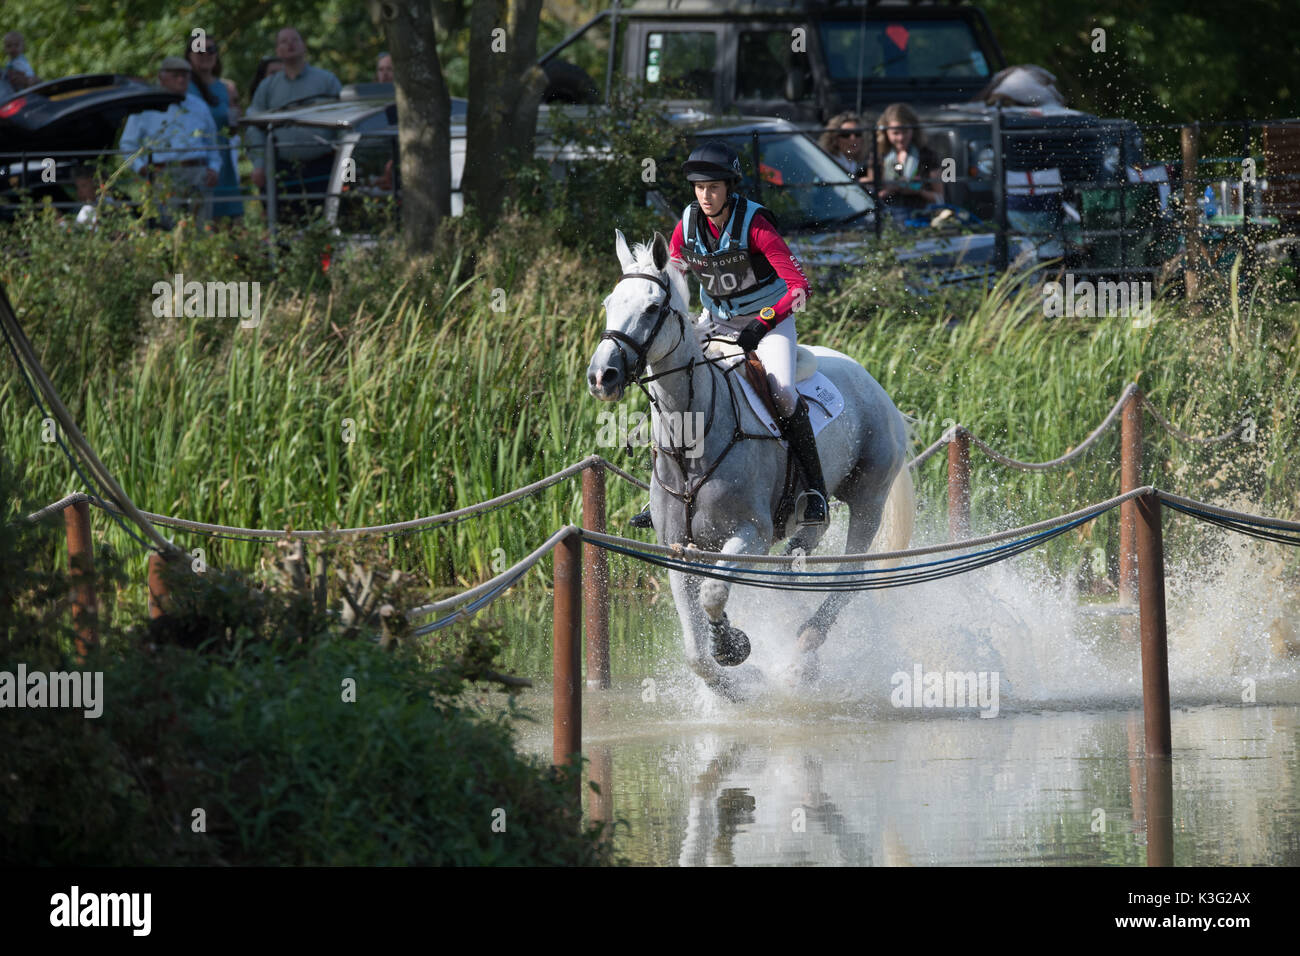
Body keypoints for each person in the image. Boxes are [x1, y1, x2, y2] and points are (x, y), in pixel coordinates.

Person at [630, 141, 826, 530]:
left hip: (768, 322)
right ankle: (661, 495)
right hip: (714, 320)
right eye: (699, 188)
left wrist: (762, 322)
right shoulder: (685, 226)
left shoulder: (755, 225)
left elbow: (799, 287)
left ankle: (815, 490)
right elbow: (674, 278)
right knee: (675, 384)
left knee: (783, 393)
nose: (705, 195)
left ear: (729, 189)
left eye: (714, 187)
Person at [245, 28, 341, 222]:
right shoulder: (267, 87)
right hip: (282, 169)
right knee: (284, 227)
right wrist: (259, 164)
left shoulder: (326, 81)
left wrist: (343, 164)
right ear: (277, 50)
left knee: (323, 225)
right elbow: (254, 126)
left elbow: (343, 123)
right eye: (283, 41)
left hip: (322, 168)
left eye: (294, 40)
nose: (289, 44)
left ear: (304, 46)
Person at [119, 56, 220, 226]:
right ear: (161, 77)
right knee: (167, 226)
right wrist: (142, 168)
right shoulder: (146, 107)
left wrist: (214, 168)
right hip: (163, 174)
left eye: (184, 76)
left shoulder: (198, 105)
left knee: (200, 228)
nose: (180, 80)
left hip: (197, 171)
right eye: (175, 75)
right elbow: (127, 144)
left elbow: (212, 142)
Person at [185, 37, 243, 221]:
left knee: (231, 223)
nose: (205, 54)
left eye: (211, 49)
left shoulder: (226, 88)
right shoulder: (184, 88)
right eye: (199, 50)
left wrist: (235, 111)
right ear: (189, 55)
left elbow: (233, 130)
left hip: (223, 163)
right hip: (195, 162)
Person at [862, 103, 943, 222]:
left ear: (913, 130)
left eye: (905, 132)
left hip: (919, 217)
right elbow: (870, 200)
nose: (900, 138)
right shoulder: (877, 156)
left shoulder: (928, 156)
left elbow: (940, 199)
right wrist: (890, 189)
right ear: (886, 132)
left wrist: (917, 191)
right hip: (886, 218)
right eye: (895, 133)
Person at [818, 111, 871, 183]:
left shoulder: (853, 162)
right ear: (834, 139)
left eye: (857, 133)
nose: (853, 138)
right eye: (846, 134)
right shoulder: (829, 162)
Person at [1, 31, 36, 99]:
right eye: (9, 46)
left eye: (16, 45)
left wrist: (27, 80)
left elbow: (30, 76)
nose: (13, 49)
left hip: (25, 91)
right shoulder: (11, 62)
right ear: (5, 48)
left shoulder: (20, 62)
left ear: (23, 47)